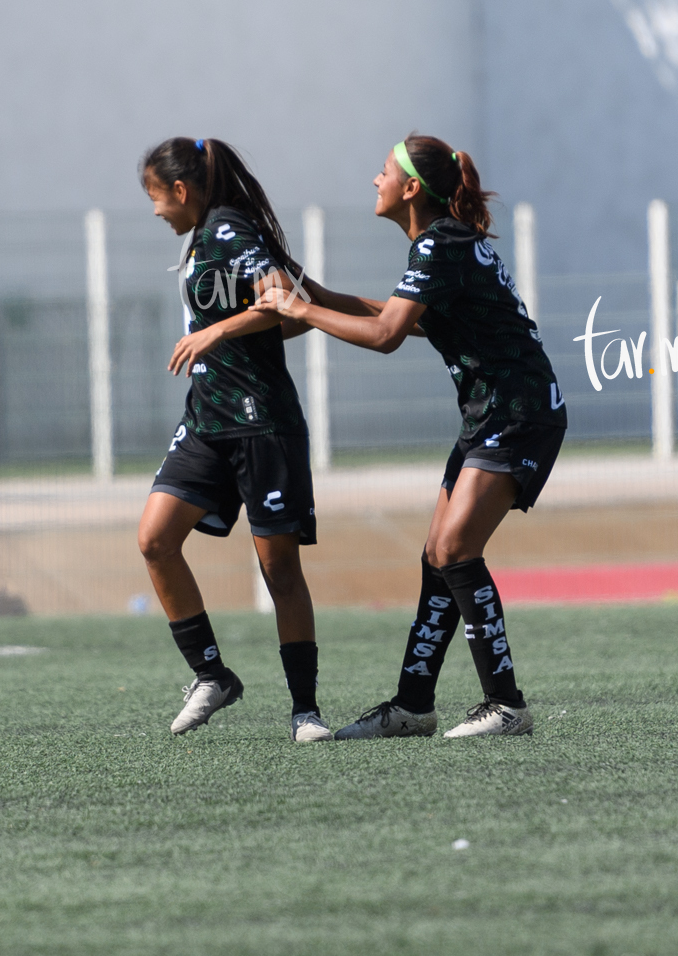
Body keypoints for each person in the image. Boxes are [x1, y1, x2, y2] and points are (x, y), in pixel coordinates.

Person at [259, 134, 563, 739]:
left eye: (383, 172)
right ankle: (414, 706)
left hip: (518, 411)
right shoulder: (442, 243)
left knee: (455, 552)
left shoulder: (438, 243)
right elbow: (397, 313)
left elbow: (388, 334)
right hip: (492, 411)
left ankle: (506, 706)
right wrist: (312, 290)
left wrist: (302, 312)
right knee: (436, 556)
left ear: (411, 189)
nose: (375, 181)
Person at [137, 138, 331, 741]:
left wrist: (218, 332)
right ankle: (212, 676)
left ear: (181, 189)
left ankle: (305, 711)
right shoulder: (201, 237)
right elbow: (283, 315)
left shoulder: (227, 229)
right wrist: (235, 333)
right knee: (154, 540)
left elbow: (287, 303)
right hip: (206, 421)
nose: (154, 212)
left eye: (154, 197)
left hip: (262, 423)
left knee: (279, 573)